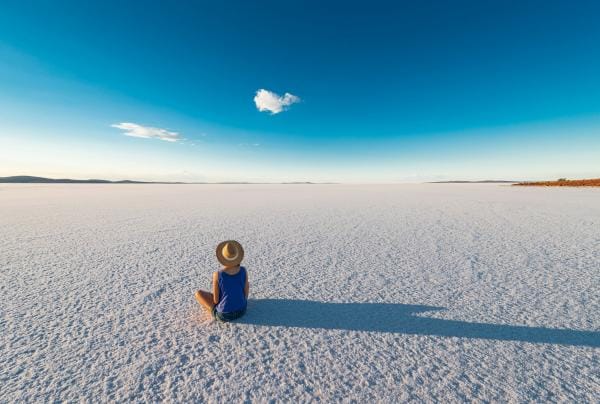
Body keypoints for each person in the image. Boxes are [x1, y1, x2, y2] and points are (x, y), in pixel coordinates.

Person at [195, 240, 249, 321]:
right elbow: (246, 294)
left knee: (198, 294)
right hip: (242, 310)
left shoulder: (218, 274)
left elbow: (216, 300)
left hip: (224, 315)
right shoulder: (243, 270)